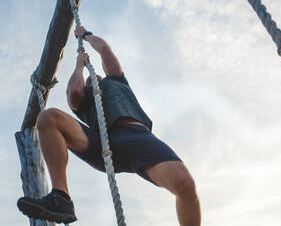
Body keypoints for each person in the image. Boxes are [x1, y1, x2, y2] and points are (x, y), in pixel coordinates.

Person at [17, 26, 201, 226]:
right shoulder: (85, 101)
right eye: (88, 81)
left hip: (137, 136)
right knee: (47, 117)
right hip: (103, 144)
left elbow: (104, 49)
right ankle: (61, 197)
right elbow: (73, 92)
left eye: (94, 77)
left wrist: (86, 35)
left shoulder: (117, 81)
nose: (92, 79)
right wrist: (79, 65)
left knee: (185, 184)